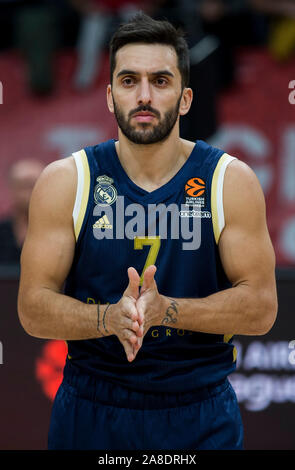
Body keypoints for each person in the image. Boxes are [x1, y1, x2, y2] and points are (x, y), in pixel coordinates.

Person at [17, 12, 278, 450]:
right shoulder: (67, 180)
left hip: (199, 410)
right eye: (128, 80)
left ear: (186, 97)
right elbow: (32, 308)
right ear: (109, 95)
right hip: (92, 407)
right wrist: (109, 319)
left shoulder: (228, 180)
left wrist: (166, 311)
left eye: (160, 81)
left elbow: (261, 307)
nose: (143, 96)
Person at [0, 159, 44, 266]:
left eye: (38, 185)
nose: (32, 192)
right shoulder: (2, 231)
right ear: (12, 189)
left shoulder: (62, 230)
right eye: (26, 186)